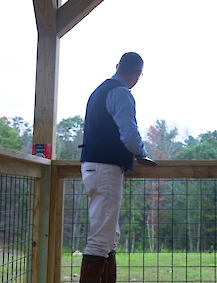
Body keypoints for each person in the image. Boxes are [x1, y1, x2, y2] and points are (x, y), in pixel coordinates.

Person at [78, 52, 148, 283]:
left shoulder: (99, 91)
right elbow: (129, 134)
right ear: (138, 75)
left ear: (117, 66)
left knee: (109, 236)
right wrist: (141, 152)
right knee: (100, 240)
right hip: (106, 170)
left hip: (92, 167)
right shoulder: (121, 93)